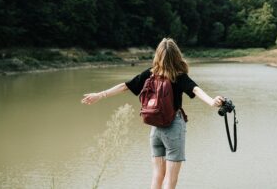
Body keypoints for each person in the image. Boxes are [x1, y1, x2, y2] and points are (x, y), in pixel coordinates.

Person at [81, 38, 224, 189]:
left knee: (157, 175)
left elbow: (125, 86)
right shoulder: (178, 75)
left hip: (155, 130)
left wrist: (100, 95)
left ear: (158, 55)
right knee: (170, 179)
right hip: (173, 129)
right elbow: (195, 89)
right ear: (177, 55)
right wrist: (212, 101)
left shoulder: (151, 73)